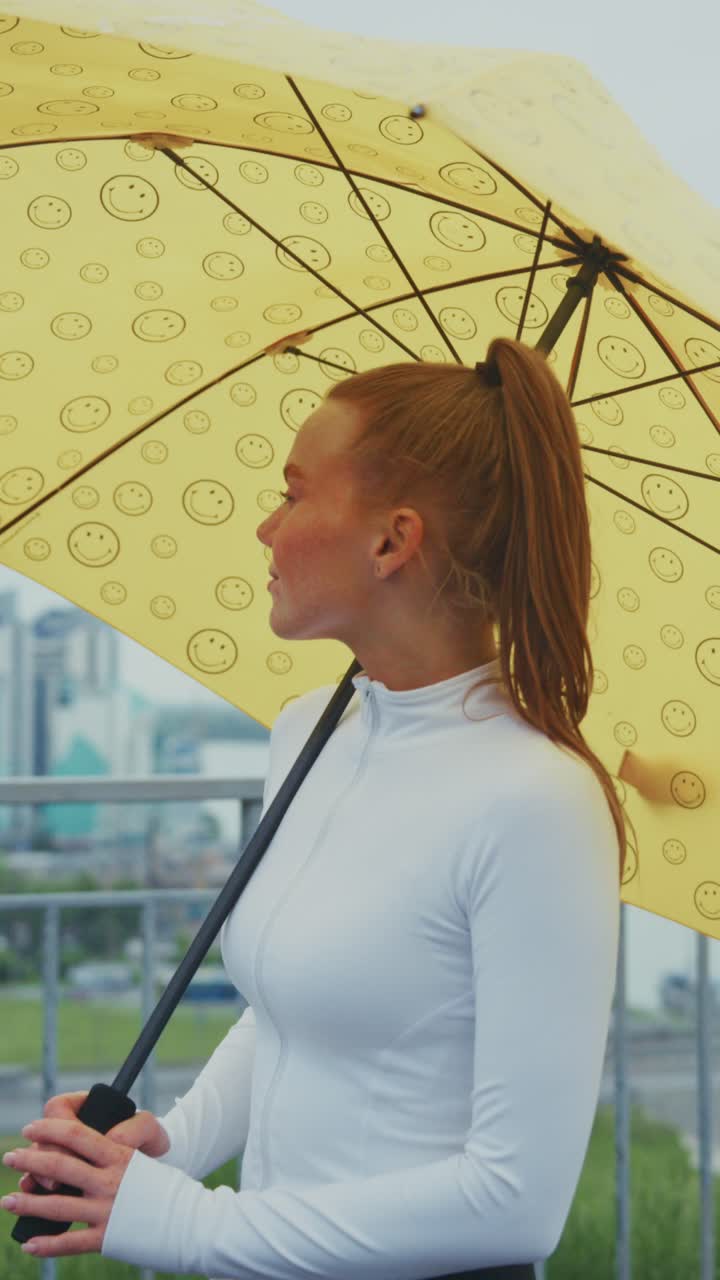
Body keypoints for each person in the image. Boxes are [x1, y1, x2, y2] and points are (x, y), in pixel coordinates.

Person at [2, 338, 622, 1278]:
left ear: (392, 542)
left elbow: (514, 1203)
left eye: (292, 494)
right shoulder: (308, 731)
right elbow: (293, 1013)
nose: (266, 527)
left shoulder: (538, 802)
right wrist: (171, 1144)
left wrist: (184, 1223)